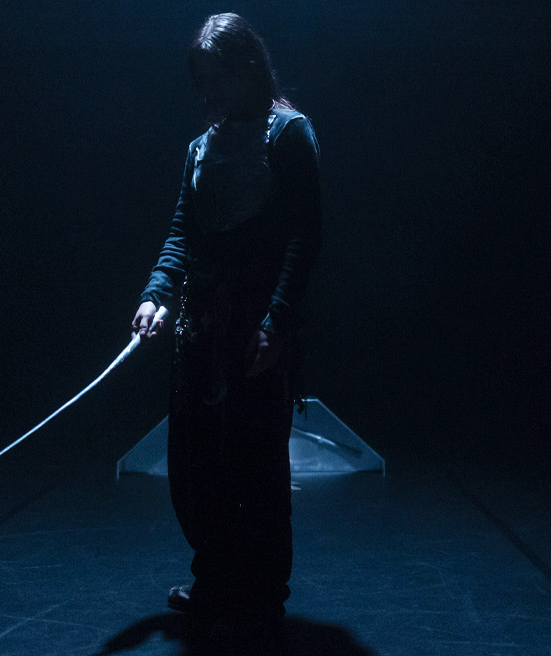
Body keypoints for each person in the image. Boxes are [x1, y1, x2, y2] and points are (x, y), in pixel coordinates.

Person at [131, 12, 322, 643]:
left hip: (254, 330)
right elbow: (181, 233)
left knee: (254, 469)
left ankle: (262, 596)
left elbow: (303, 238)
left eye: (218, 77)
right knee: (194, 465)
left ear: (248, 69)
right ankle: (214, 577)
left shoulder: (288, 134)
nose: (208, 92)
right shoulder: (200, 149)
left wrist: (276, 322)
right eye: (201, 79)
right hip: (201, 330)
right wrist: (157, 295)